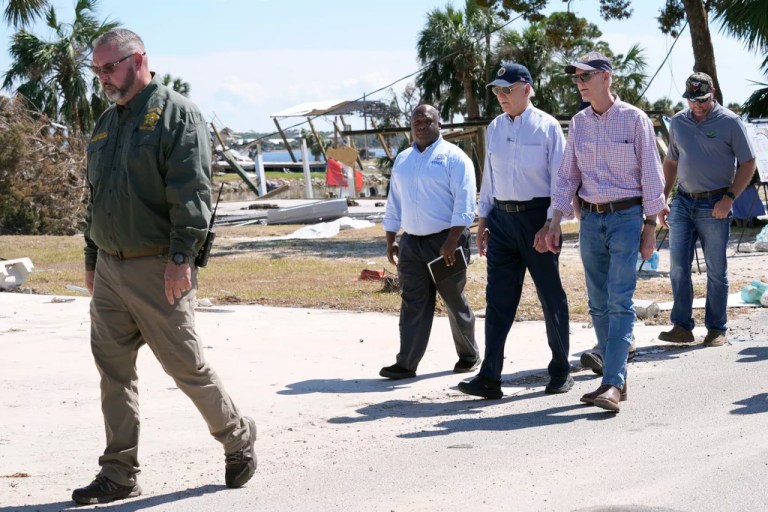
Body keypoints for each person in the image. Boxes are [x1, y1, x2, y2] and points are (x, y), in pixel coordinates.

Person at [72, 28, 256, 505]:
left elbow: (190, 194)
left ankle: (237, 436)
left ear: (139, 60)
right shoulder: (107, 122)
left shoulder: (177, 114)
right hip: (111, 269)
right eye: (97, 70)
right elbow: (97, 197)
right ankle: (118, 473)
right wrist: (93, 260)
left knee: (186, 367)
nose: (103, 78)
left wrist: (181, 260)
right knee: (113, 373)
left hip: (159, 268)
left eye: (109, 67)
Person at [544, 52, 666, 412]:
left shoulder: (634, 119)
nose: (579, 82)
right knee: (597, 303)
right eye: (576, 77)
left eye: (586, 76)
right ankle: (614, 378)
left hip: (627, 219)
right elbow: (568, 176)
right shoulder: (579, 123)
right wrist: (554, 220)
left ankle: (612, 381)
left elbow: (651, 175)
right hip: (592, 221)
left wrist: (649, 225)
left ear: (607, 78)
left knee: (619, 300)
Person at [456, 63, 571, 399]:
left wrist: (551, 223)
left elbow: (560, 182)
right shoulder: (493, 128)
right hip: (503, 221)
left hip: (538, 219)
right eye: (497, 91)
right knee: (498, 300)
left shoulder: (548, 128)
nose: (501, 96)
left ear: (527, 88)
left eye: (507, 90)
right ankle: (490, 376)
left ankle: (561, 370)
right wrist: (484, 220)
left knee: (551, 298)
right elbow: (489, 179)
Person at [380, 104, 480, 379]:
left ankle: (469, 355)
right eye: (416, 121)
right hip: (411, 244)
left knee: (452, 300)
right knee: (413, 302)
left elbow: (465, 203)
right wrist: (391, 238)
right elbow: (394, 203)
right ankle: (406, 362)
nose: (420, 125)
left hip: (446, 242)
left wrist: (451, 241)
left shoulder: (454, 158)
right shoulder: (402, 159)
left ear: (439, 125)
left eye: (427, 121)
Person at [658, 72, 757, 347]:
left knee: (716, 270)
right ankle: (681, 326)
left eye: (702, 100)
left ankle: (716, 328)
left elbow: (748, 163)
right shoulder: (678, 121)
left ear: (712, 93)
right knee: (678, 267)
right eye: (692, 100)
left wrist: (729, 198)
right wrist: (662, 199)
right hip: (683, 202)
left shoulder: (730, 122)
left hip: (716, 203)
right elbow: (671, 163)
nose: (697, 106)